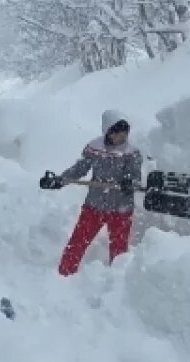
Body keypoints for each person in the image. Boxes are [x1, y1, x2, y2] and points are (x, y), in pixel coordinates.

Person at [47, 109, 143, 275]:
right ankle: (64, 274)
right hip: (95, 206)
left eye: (125, 134)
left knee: (119, 250)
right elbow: (80, 168)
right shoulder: (94, 148)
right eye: (117, 134)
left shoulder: (131, 153)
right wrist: (60, 180)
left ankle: (116, 281)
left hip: (121, 209)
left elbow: (135, 175)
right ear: (108, 132)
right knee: (77, 242)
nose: (122, 138)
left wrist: (129, 182)